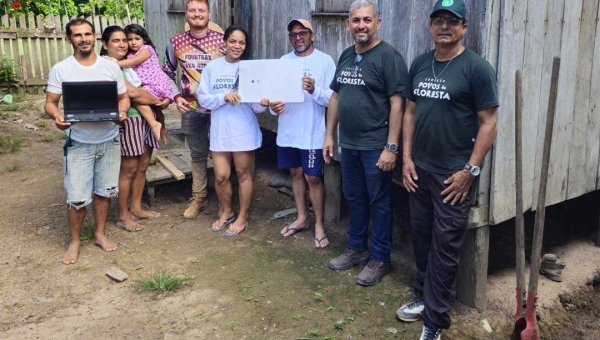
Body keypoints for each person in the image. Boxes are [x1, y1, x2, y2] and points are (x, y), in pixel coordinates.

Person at [395, 1, 499, 339]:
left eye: (452, 21)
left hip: (452, 176)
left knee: (445, 245)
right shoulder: (421, 64)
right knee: (422, 237)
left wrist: (470, 170)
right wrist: (407, 159)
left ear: (464, 27)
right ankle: (426, 298)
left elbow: (490, 122)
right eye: (439, 20)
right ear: (430, 26)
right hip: (419, 169)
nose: (445, 26)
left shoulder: (476, 68)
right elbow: (410, 112)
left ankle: (435, 322)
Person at [323, 0, 408, 285]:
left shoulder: (389, 57)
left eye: (367, 20)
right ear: (348, 25)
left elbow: (398, 103)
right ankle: (357, 249)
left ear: (378, 23)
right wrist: (328, 135)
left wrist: (391, 147)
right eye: (356, 20)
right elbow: (336, 96)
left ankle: (380, 258)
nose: (361, 25)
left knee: (380, 202)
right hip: (349, 144)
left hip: (376, 146)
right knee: (355, 197)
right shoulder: (347, 55)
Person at [44, 18, 129, 264]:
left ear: (94, 36)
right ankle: (75, 241)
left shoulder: (110, 67)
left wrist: (122, 112)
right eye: (78, 35)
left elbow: (123, 98)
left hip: (110, 139)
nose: (84, 39)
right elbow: (50, 103)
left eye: (88, 34)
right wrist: (57, 116)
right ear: (69, 39)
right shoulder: (62, 69)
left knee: (104, 192)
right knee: (77, 197)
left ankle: (100, 234)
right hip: (79, 142)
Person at [197, 25, 269, 236]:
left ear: (245, 46)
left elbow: (256, 107)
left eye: (241, 42)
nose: (237, 46)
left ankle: (243, 215)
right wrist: (223, 97)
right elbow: (203, 98)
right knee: (221, 175)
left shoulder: (250, 69)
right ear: (225, 42)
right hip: (220, 129)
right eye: (233, 41)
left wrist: (264, 102)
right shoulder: (213, 67)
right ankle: (227, 210)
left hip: (243, 129)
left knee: (244, 174)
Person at [269, 19, 335, 249]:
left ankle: (319, 224)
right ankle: (302, 217)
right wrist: (273, 107)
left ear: (312, 35)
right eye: (294, 34)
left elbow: (332, 99)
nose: (298, 38)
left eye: (303, 33)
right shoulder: (283, 62)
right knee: (295, 173)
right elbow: (274, 96)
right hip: (288, 130)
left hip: (312, 132)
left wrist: (314, 89)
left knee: (313, 178)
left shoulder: (325, 61)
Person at [100, 25, 170, 231]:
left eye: (124, 40)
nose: (123, 44)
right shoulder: (108, 66)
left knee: (143, 164)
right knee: (129, 169)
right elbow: (133, 93)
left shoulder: (127, 66)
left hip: (145, 118)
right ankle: (123, 215)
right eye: (116, 41)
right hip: (129, 120)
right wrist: (160, 100)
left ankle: (137, 207)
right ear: (105, 45)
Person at [163, 0, 225, 219]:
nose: (197, 14)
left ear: (209, 14)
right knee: (198, 155)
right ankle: (199, 198)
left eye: (201, 10)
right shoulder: (176, 42)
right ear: (186, 15)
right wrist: (175, 96)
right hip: (191, 109)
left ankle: (225, 202)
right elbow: (167, 73)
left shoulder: (222, 41)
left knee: (224, 154)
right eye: (192, 10)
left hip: (220, 110)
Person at [117, 23, 172, 144]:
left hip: (154, 84)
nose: (133, 42)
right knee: (158, 110)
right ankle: (162, 128)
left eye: (137, 39)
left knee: (137, 98)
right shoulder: (129, 54)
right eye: (129, 39)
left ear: (144, 40)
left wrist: (113, 64)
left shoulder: (146, 49)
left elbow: (134, 62)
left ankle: (154, 124)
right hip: (146, 84)